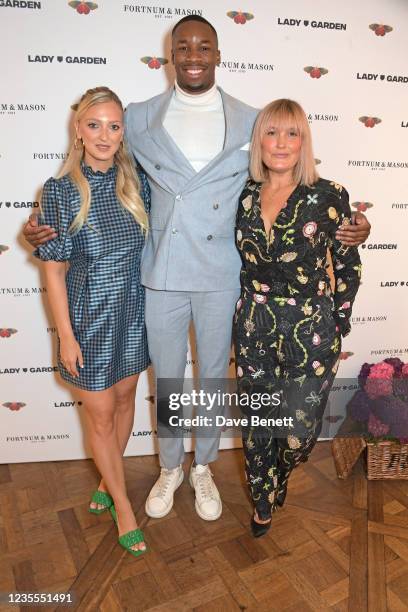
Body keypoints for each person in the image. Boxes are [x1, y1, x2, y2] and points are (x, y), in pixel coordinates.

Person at [24, 16, 371, 523]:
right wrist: (44, 225)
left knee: (210, 377)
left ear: (217, 53)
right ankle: (170, 466)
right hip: (161, 272)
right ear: (169, 55)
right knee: (169, 378)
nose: (192, 55)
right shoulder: (138, 117)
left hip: (221, 273)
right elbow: (100, 171)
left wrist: (352, 223)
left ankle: (203, 466)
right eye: (182, 46)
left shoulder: (251, 119)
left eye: (202, 46)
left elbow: (289, 175)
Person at [234, 99, 362, 537]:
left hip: (311, 329)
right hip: (254, 324)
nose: (281, 142)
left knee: (298, 431)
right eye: (272, 132)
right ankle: (262, 500)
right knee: (257, 421)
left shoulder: (329, 196)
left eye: (292, 133)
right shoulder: (245, 194)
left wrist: (337, 323)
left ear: (304, 141)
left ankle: (281, 472)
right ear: (260, 141)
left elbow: (348, 266)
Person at [33, 87, 149, 556]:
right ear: (78, 130)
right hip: (89, 323)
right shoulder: (60, 191)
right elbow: (53, 271)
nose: (105, 135)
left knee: (124, 402)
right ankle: (124, 507)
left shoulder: (135, 181)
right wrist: (66, 336)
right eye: (95, 125)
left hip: (133, 315)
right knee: (100, 417)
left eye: (114, 126)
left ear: (124, 133)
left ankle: (107, 480)